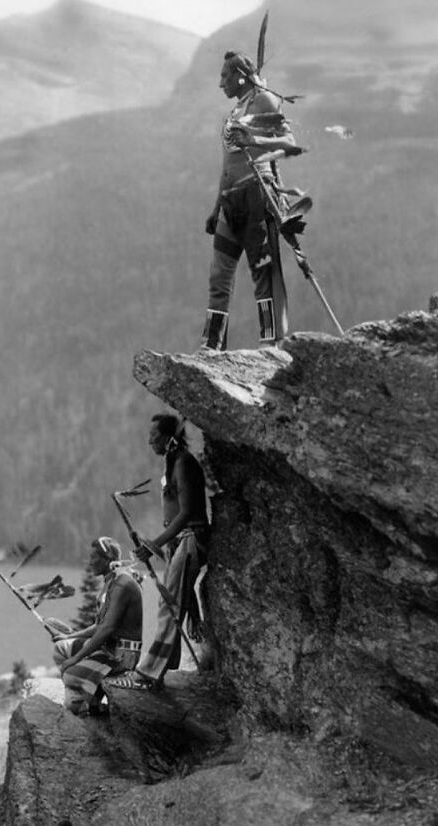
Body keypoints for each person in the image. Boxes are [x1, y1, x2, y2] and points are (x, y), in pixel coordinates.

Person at [201, 50, 299, 350]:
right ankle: (212, 346)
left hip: (257, 195)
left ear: (240, 75)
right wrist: (216, 207)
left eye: (224, 76)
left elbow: (290, 144)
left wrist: (254, 140)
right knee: (219, 275)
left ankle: (270, 345)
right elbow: (228, 162)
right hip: (231, 202)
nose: (221, 84)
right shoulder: (233, 113)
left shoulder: (264, 100)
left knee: (263, 274)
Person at [109, 413, 209, 690]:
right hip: (181, 541)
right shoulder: (174, 462)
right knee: (173, 600)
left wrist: (153, 546)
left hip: (191, 538)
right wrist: (160, 544)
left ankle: (149, 673)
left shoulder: (184, 463)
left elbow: (188, 512)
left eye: (154, 436)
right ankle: (163, 667)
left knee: (169, 603)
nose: (149, 440)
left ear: (169, 437)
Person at [49, 536, 143, 715]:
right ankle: (89, 699)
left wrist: (76, 659)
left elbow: (107, 629)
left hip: (121, 656)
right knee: (61, 648)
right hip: (109, 649)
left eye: (93, 557)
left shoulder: (122, 584)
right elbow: (99, 625)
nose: (90, 562)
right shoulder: (112, 581)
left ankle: (80, 704)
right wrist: (69, 637)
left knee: (70, 673)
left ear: (107, 558)